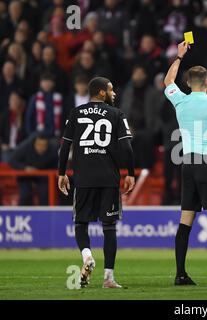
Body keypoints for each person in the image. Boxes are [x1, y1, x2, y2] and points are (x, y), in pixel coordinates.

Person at [164, 41, 207, 286]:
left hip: (187, 164)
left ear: (188, 83)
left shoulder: (181, 101)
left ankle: (180, 274)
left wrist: (179, 56)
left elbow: (167, 83)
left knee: (186, 220)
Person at [58, 77, 135, 289]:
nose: (114, 94)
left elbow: (65, 146)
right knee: (109, 227)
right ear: (102, 92)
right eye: (111, 90)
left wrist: (61, 173)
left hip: (83, 179)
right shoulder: (117, 114)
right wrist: (130, 173)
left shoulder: (75, 113)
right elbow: (127, 148)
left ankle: (87, 256)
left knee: (81, 223)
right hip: (109, 179)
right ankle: (108, 278)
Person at [9, 133, 58, 205]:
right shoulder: (25, 147)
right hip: (25, 175)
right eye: (39, 145)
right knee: (25, 193)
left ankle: (45, 213)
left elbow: (55, 165)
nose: (41, 148)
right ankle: (23, 213)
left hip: (43, 175)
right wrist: (24, 168)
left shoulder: (53, 149)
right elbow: (12, 161)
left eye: (44, 146)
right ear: (34, 143)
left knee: (45, 193)